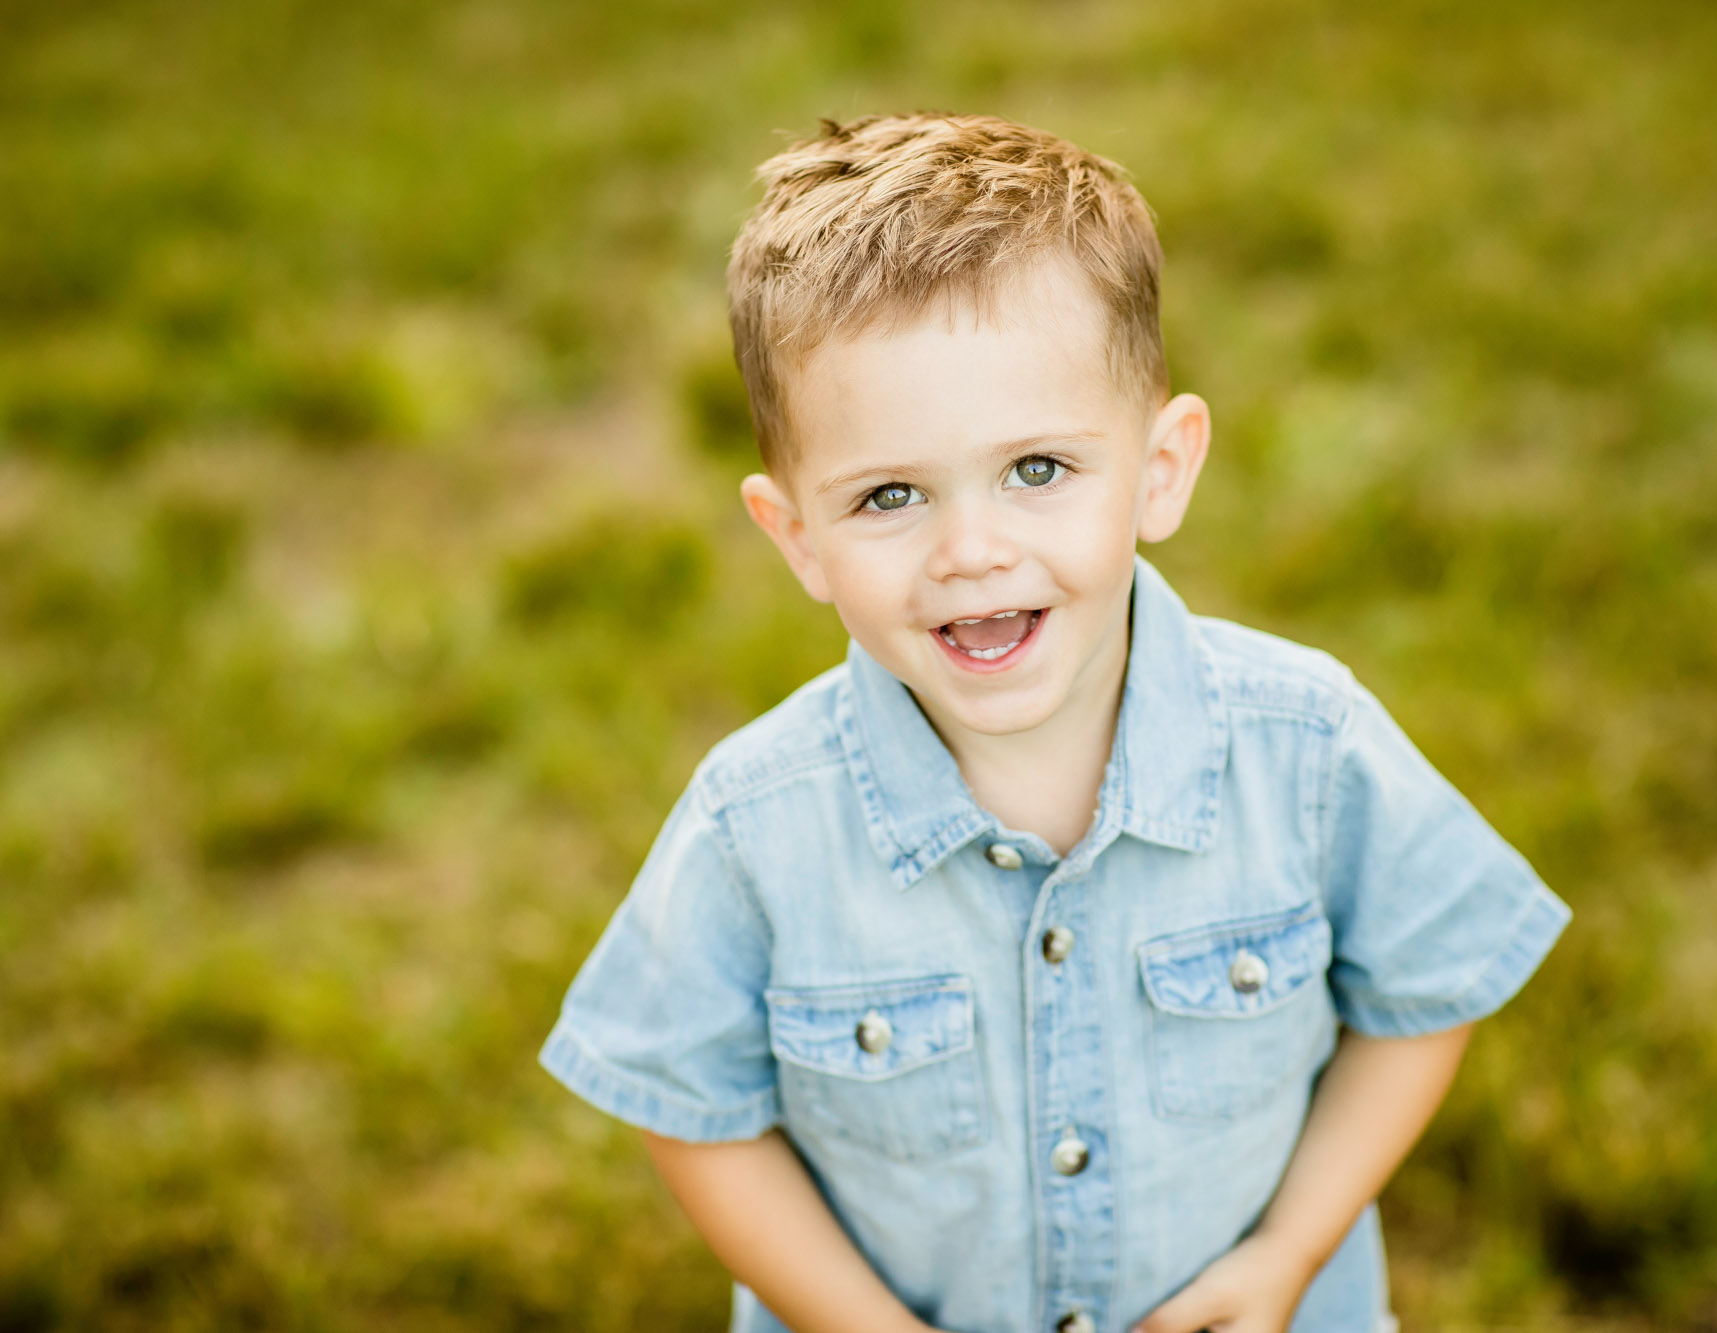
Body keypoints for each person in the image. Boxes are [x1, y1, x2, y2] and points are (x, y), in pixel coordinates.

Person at [539, 112, 1571, 1333]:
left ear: (1160, 468)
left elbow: (1426, 988)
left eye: (1035, 469)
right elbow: (689, 1103)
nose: (970, 552)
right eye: (888, 494)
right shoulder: (756, 823)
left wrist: (1289, 1253)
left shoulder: (1303, 745)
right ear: (795, 538)